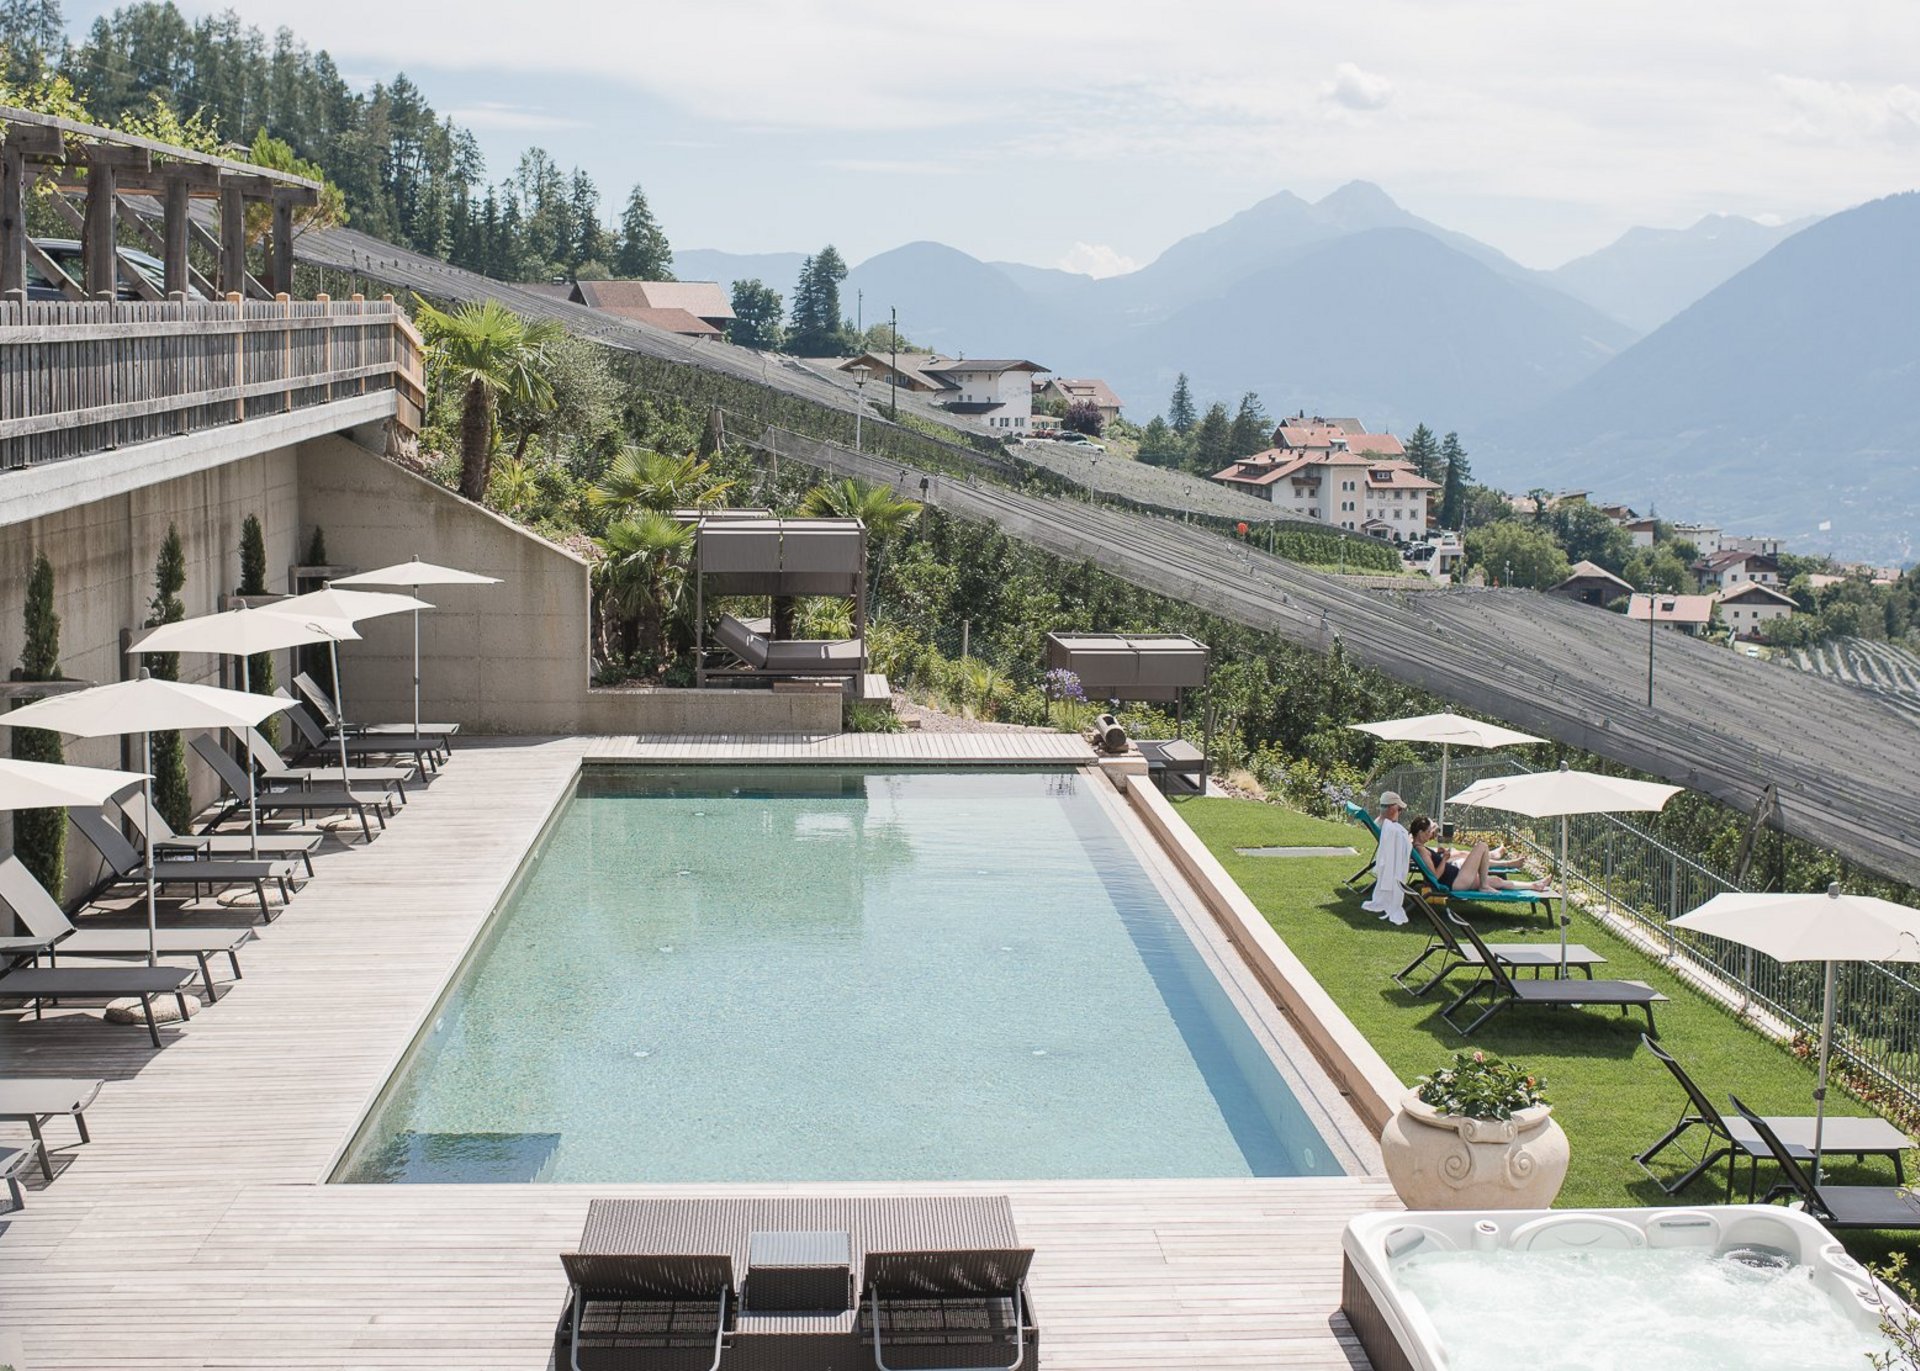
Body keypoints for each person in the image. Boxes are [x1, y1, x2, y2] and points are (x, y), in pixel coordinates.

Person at [1407, 816, 1550, 893]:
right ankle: (1483, 886)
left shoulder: (1420, 848)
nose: (1430, 835)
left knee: (1496, 880)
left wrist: (1441, 856)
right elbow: (1435, 877)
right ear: (1420, 833)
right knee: (1482, 846)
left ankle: (1534, 885)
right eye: (1427, 832)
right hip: (1455, 882)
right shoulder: (1421, 850)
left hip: (1456, 878)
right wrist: (1444, 859)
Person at [1361, 791, 1412, 926]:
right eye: (1399, 809)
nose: (1400, 812)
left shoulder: (1383, 824)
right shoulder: (1392, 830)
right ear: (1391, 808)